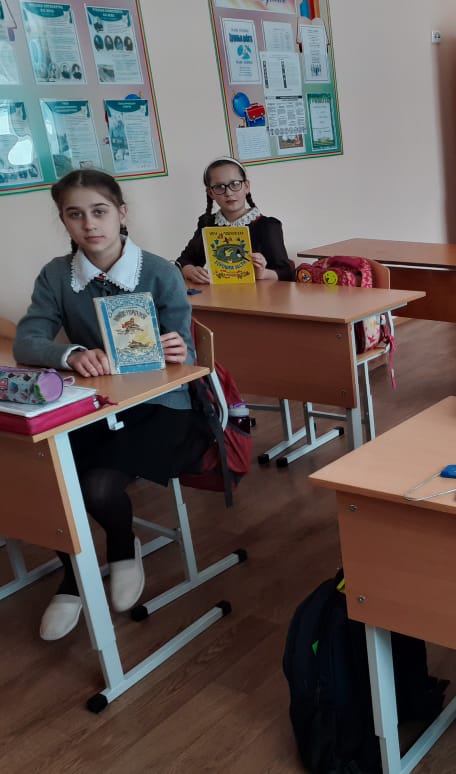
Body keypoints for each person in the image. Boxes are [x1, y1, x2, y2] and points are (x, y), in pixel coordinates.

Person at [13, 170, 206, 641]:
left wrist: (178, 349)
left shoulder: (158, 271)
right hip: (95, 404)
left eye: (99, 211)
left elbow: (187, 351)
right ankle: (73, 575)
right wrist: (70, 354)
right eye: (75, 215)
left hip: (162, 404)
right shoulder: (57, 275)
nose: (89, 224)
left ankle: (122, 544)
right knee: (52, 477)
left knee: (97, 485)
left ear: (121, 213)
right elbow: (27, 341)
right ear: (64, 221)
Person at [175, 156, 293, 284]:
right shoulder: (207, 224)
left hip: (259, 295)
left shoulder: (267, 226)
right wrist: (189, 270)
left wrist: (263, 273)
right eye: (219, 187)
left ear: (246, 186)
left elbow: (286, 273)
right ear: (210, 193)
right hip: (216, 295)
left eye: (235, 184)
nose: (228, 193)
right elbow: (183, 260)